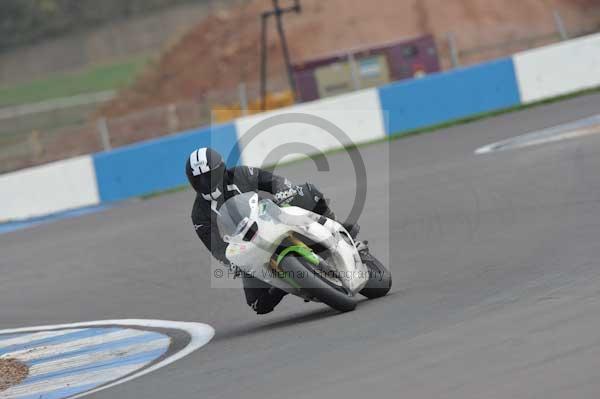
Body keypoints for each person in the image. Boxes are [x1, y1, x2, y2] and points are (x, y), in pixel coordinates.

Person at [186, 147, 362, 315]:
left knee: (308, 192)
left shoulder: (240, 174)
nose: (204, 183)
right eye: (198, 180)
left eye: (208, 177)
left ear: (221, 170)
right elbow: (216, 246)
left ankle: (336, 226)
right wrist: (230, 261)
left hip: (271, 216)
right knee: (258, 303)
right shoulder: (198, 215)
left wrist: (283, 190)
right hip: (247, 245)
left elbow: (271, 180)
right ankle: (289, 283)